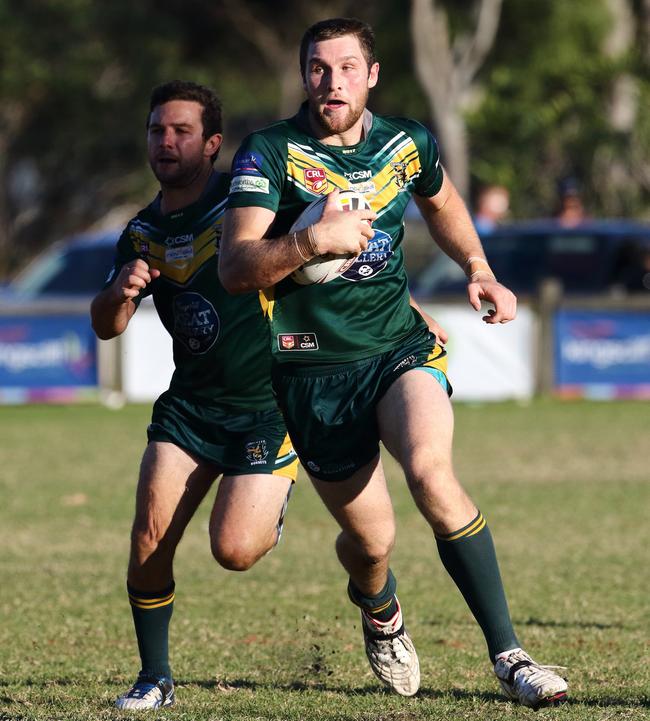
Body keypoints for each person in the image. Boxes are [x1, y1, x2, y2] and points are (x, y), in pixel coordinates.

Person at [219, 18, 568, 709]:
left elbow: (441, 200)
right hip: (313, 374)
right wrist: (311, 239)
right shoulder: (270, 154)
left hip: (398, 347)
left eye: (348, 68)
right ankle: (380, 606)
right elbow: (235, 266)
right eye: (319, 69)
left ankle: (511, 656)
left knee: (434, 476)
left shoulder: (407, 142)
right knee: (371, 543)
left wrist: (478, 267)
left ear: (372, 75)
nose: (333, 82)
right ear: (303, 76)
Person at [90, 80, 298, 710]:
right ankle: (154, 678)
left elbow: (322, 258)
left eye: (181, 131)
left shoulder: (250, 207)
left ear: (213, 144)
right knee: (149, 535)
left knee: (234, 550)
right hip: (190, 407)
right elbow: (105, 324)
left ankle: (275, 498)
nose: (166, 141)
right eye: (157, 130)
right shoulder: (142, 231)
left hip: (268, 404)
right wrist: (121, 290)